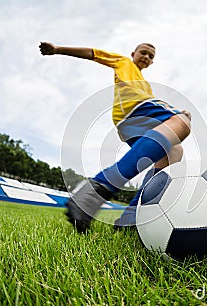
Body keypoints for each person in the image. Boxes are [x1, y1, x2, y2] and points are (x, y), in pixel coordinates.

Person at [39, 41, 191, 233]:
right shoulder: (123, 62)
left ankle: (131, 216)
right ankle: (95, 191)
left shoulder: (145, 85)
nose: (146, 57)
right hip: (134, 110)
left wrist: (174, 120)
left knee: (174, 151)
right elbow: (92, 53)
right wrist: (58, 50)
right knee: (183, 122)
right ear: (133, 53)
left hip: (130, 123)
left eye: (151, 56)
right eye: (143, 53)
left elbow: (156, 108)